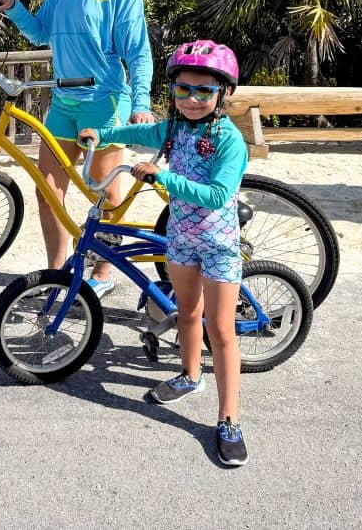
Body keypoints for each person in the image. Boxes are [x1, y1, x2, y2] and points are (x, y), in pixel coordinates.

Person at [80, 40, 249, 466]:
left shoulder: (229, 140)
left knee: (222, 330)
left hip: (219, 244)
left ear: (223, 94)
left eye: (204, 91)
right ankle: (190, 376)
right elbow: (136, 133)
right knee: (187, 312)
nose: (192, 99)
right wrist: (103, 135)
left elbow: (217, 194)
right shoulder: (173, 129)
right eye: (183, 90)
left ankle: (229, 419)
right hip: (181, 237)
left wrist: (164, 176)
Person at [0, 0, 154, 298]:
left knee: (106, 195)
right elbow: (41, 31)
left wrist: (142, 103)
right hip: (63, 102)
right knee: (49, 191)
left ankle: (102, 272)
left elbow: (138, 51)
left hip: (105, 102)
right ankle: (57, 274)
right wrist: (13, 7)